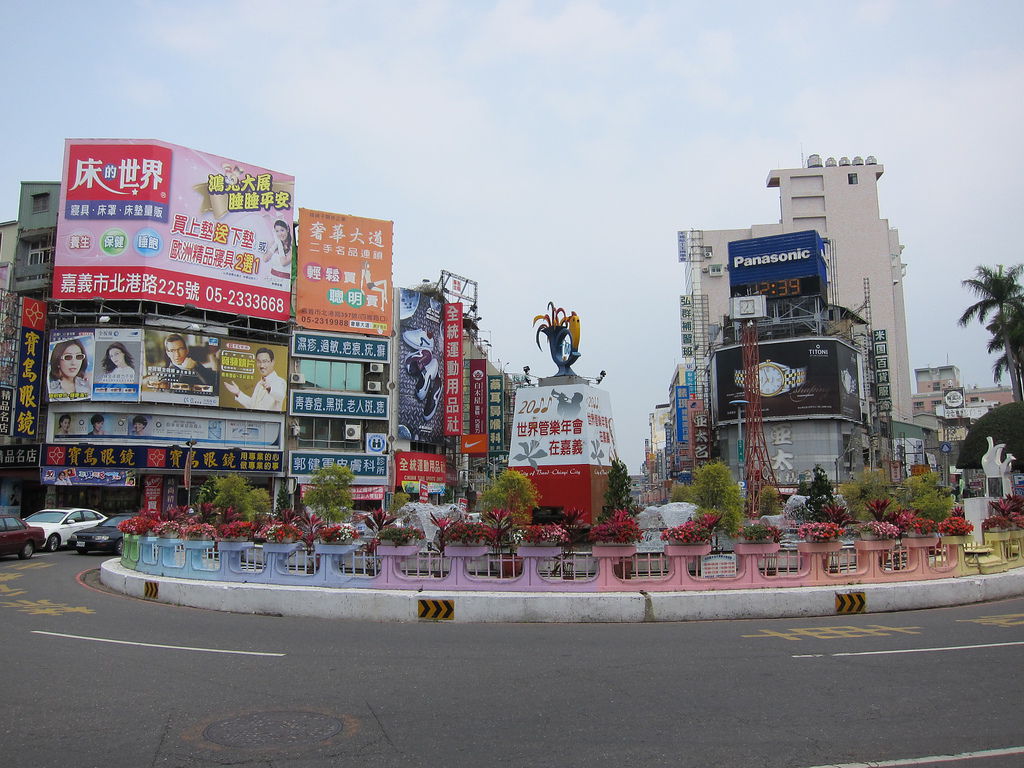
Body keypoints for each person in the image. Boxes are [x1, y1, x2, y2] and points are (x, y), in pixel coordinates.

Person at [149, 333, 216, 389]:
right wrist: (186, 370)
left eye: (180, 349)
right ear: (168, 353)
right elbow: (173, 393)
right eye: (172, 351)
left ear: (186, 350)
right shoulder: (164, 375)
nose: (177, 354)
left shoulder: (195, 364)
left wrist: (215, 362)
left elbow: (212, 381)